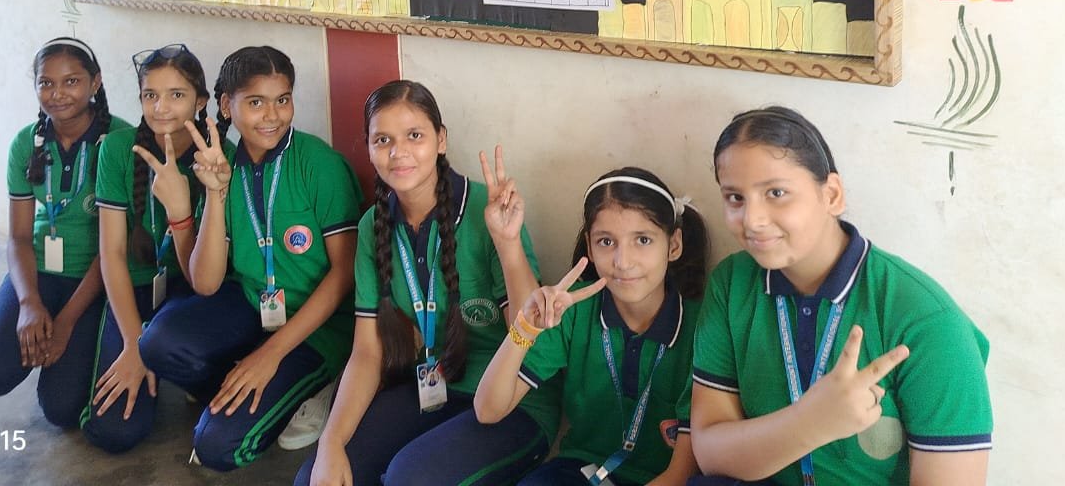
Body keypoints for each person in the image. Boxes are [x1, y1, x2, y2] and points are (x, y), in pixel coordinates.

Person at [688, 107, 992, 486]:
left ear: (831, 195)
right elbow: (710, 453)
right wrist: (811, 423)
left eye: (776, 193)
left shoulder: (925, 317)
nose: (752, 219)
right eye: (735, 198)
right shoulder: (732, 284)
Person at [298, 80, 558, 486]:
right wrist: (330, 441)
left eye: (414, 136)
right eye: (383, 140)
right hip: (431, 384)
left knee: (408, 479)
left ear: (441, 140)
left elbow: (527, 334)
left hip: (511, 397)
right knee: (317, 477)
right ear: (368, 147)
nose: (398, 152)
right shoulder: (373, 226)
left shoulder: (489, 210)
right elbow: (367, 352)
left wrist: (507, 243)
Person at [138, 45, 362, 470]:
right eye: (256, 102)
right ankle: (256, 385)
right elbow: (205, 284)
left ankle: (314, 387)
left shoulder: (320, 164)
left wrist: (271, 354)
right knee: (158, 343)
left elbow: (344, 275)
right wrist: (215, 193)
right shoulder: (221, 164)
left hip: (320, 324)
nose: (272, 115)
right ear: (227, 105)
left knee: (217, 448)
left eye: (283, 100)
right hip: (251, 302)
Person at [475, 168, 709, 486]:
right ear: (589, 246)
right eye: (606, 241)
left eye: (642, 240)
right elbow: (488, 410)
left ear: (674, 245)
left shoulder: (702, 327)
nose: (623, 261)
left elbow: (681, 473)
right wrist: (525, 328)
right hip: (578, 470)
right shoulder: (573, 309)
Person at [0, 37, 127, 427]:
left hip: (97, 279)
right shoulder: (26, 142)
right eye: (46, 83)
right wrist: (29, 303)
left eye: (71, 81)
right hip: (39, 271)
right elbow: (19, 238)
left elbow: (113, 251)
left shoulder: (119, 140)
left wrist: (66, 321)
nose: (57, 94)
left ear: (95, 82)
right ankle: (46, 331)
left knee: (61, 409)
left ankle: (71, 354)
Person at [81, 43, 209, 453]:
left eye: (176, 95)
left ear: (200, 102)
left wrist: (180, 211)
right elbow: (112, 254)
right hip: (135, 289)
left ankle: (184, 371)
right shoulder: (118, 148)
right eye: (150, 95)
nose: (161, 108)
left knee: (199, 366)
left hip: (189, 294)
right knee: (113, 431)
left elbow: (208, 277)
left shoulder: (216, 157)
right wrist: (133, 342)